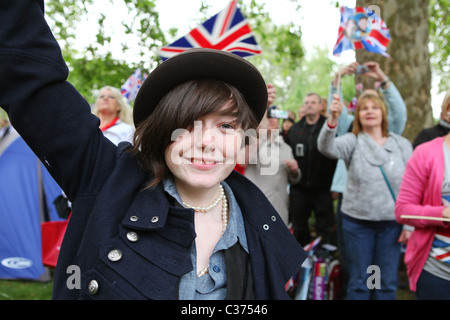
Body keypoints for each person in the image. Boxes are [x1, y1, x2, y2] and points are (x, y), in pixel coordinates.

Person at [0, 1, 306, 300]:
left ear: (243, 137)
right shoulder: (105, 179)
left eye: (226, 126)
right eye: (187, 124)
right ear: (163, 132)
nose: (207, 141)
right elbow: (29, 73)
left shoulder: (261, 226)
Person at [318, 92, 413, 300]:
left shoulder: (401, 145)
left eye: (375, 107)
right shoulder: (353, 141)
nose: (370, 111)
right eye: (364, 108)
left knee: (384, 281)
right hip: (358, 224)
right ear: (358, 115)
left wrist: (409, 225)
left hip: (390, 225)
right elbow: (326, 147)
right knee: (361, 280)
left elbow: (412, 187)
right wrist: (332, 120)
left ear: (383, 113)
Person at [395, 89, 450, 299]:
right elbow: (403, 211)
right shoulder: (426, 153)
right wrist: (442, 213)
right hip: (436, 274)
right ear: (448, 110)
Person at [284, 93, 337, 246]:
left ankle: (323, 262)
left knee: (325, 229)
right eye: (307, 102)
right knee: (299, 228)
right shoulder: (295, 129)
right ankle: (302, 264)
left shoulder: (329, 128)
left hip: (323, 189)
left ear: (321, 106)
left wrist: (335, 186)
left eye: (313, 102)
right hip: (299, 189)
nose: (309, 105)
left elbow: (337, 156)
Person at [245, 106, 301, 225]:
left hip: (279, 205)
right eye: (268, 116)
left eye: (274, 116)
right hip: (256, 204)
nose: (271, 119)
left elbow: (294, 178)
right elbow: (244, 161)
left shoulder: (286, 148)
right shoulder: (253, 142)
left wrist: (295, 170)